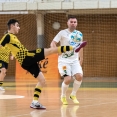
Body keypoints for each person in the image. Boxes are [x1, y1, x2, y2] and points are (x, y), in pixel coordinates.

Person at [0, 19, 86, 109]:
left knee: (42, 81)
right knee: (50, 50)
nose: (19, 28)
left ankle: (35, 102)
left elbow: (13, 49)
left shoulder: (13, 37)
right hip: (27, 56)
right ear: (12, 26)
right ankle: (74, 47)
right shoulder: (8, 36)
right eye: (17, 25)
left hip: (25, 62)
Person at [50, 15, 86, 105]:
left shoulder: (79, 34)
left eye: (75, 22)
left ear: (76, 23)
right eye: (71, 22)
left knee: (79, 76)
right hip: (64, 61)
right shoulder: (62, 33)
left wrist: (81, 58)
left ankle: (73, 95)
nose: (73, 23)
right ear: (68, 23)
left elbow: (81, 47)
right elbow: (53, 43)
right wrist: (56, 51)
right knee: (68, 79)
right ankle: (63, 96)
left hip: (75, 60)